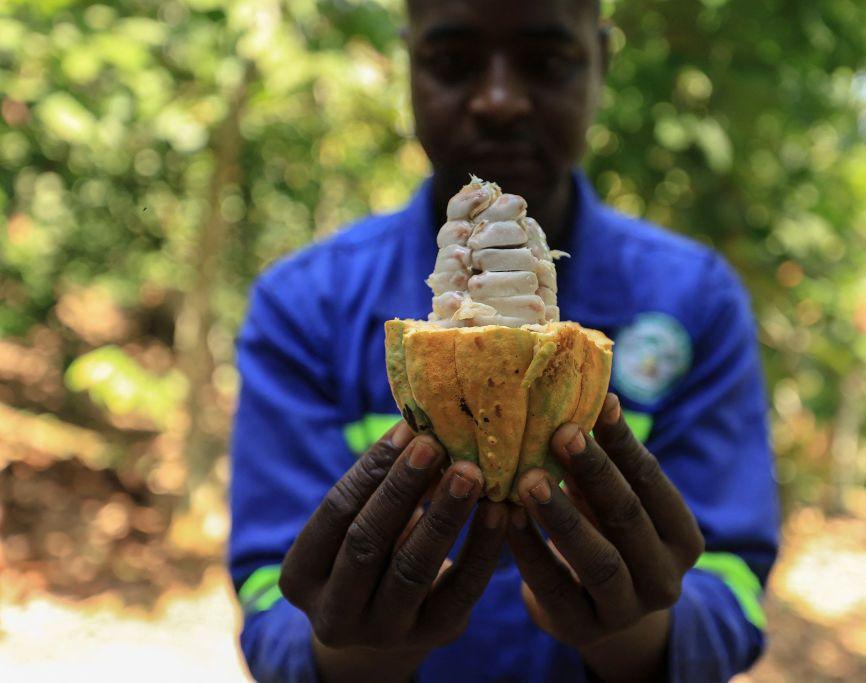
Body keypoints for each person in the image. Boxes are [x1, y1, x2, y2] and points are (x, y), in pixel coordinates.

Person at [228, 0, 780, 681]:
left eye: (546, 62)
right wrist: (346, 654)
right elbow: (267, 586)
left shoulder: (696, 300)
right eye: (453, 63)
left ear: (601, 63)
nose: (498, 100)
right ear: (407, 65)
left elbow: (735, 581)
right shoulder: (304, 305)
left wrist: (642, 633)